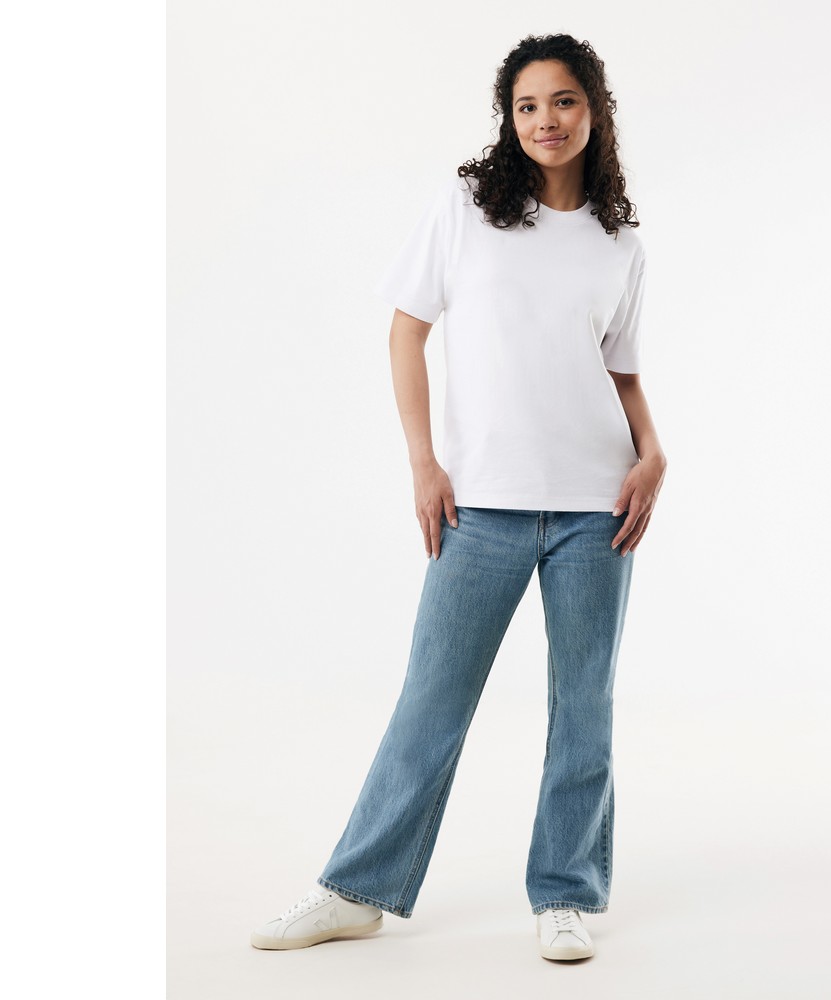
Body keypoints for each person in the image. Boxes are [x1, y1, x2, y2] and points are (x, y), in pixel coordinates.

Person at [251, 32, 667, 962]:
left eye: (563, 101)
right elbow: (406, 332)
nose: (545, 120)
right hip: (480, 505)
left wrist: (654, 453)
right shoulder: (467, 209)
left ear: (594, 110)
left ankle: (564, 894)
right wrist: (423, 463)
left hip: (598, 508)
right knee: (430, 702)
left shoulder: (621, 244)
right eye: (527, 106)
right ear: (508, 118)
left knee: (584, 708)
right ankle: (355, 889)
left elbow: (622, 375)